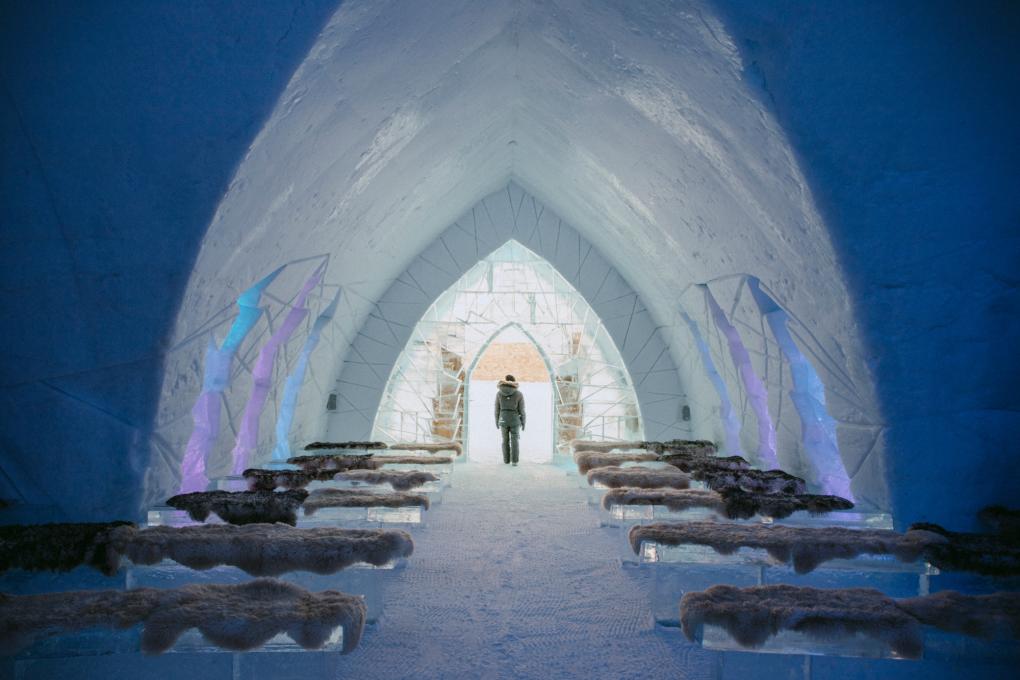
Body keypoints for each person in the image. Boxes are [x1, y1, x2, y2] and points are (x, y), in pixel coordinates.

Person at [495, 374, 526, 465]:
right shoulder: (519, 394)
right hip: (515, 419)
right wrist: (523, 422)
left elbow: (497, 409)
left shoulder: (499, 393)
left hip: (503, 419)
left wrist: (497, 421)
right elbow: (522, 410)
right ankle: (515, 461)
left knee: (505, 440)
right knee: (515, 440)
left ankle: (506, 460)